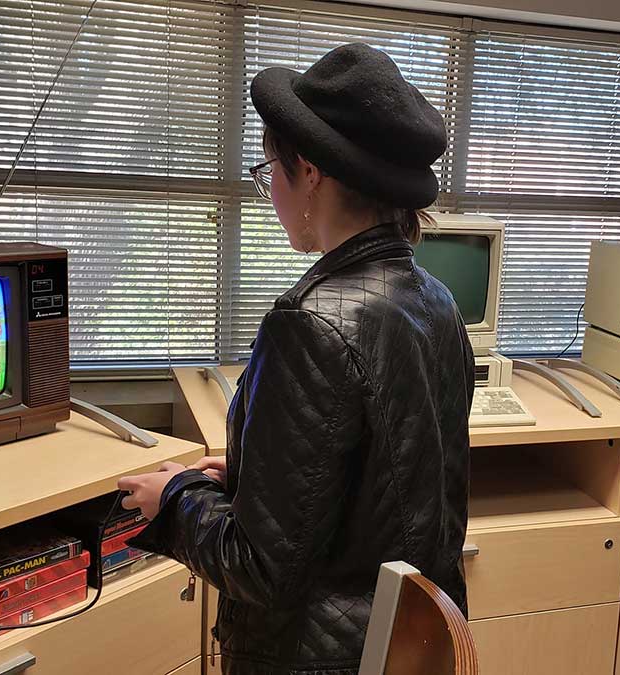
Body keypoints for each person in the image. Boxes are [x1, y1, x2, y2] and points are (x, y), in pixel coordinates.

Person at [118, 43, 474, 675]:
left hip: (318, 657)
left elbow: (260, 567)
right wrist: (256, 471)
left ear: (309, 172)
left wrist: (175, 497)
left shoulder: (309, 323)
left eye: (269, 171)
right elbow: (390, 483)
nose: (271, 192)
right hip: (403, 644)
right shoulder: (435, 300)